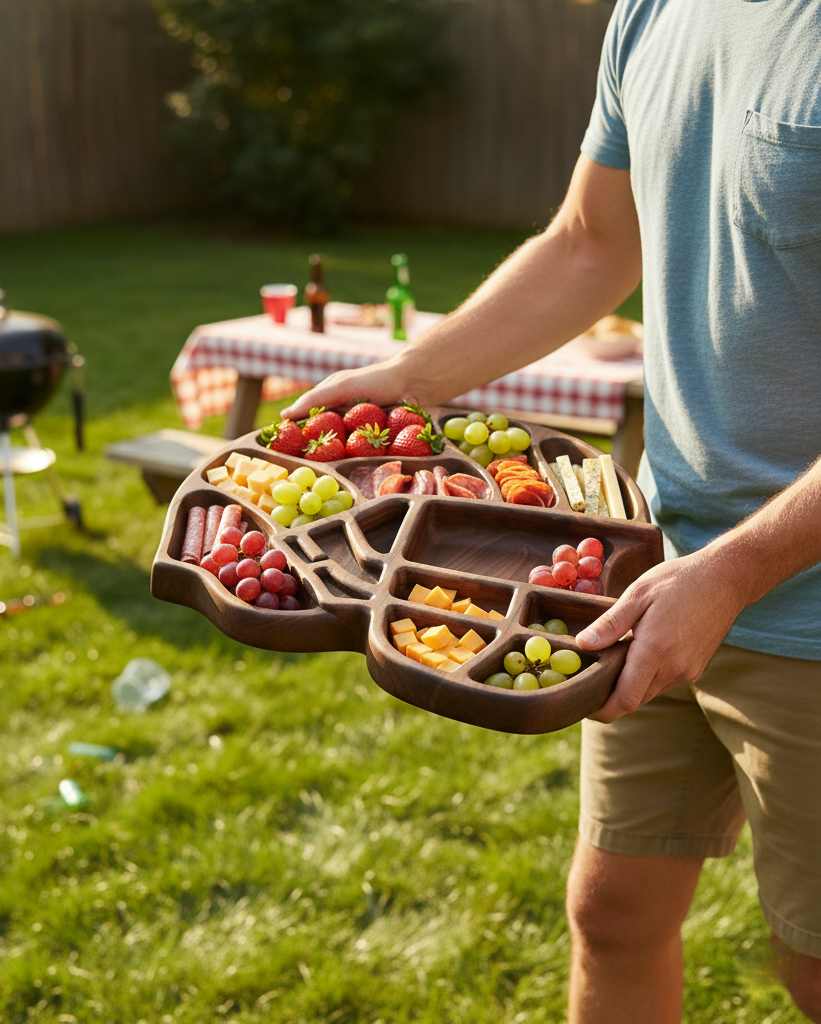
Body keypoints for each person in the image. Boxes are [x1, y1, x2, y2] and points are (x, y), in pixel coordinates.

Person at [282, 0, 821, 1018]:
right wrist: (407, 378)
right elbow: (587, 240)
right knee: (612, 911)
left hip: (803, 604)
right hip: (651, 565)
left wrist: (735, 575)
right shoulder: (654, 8)